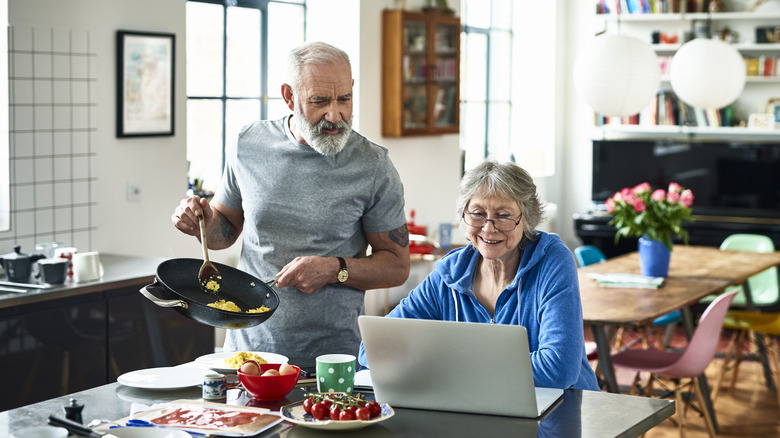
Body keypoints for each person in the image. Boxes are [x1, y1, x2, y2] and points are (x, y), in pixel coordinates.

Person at [172, 41, 411, 360]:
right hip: (248, 355)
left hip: (332, 360)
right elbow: (225, 231)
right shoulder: (249, 144)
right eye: (319, 101)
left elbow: (396, 266)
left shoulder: (373, 166)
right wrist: (200, 222)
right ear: (288, 96)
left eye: (345, 99)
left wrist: (332, 269)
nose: (335, 115)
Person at [359, 160, 600, 391]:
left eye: (504, 215)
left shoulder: (552, 261)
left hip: (561, 411)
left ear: (526, 219)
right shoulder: (448, 274)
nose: (488, 227)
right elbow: (372, 349)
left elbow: (558, 368)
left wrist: (450, 366)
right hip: (479, 408)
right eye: (477, 213)